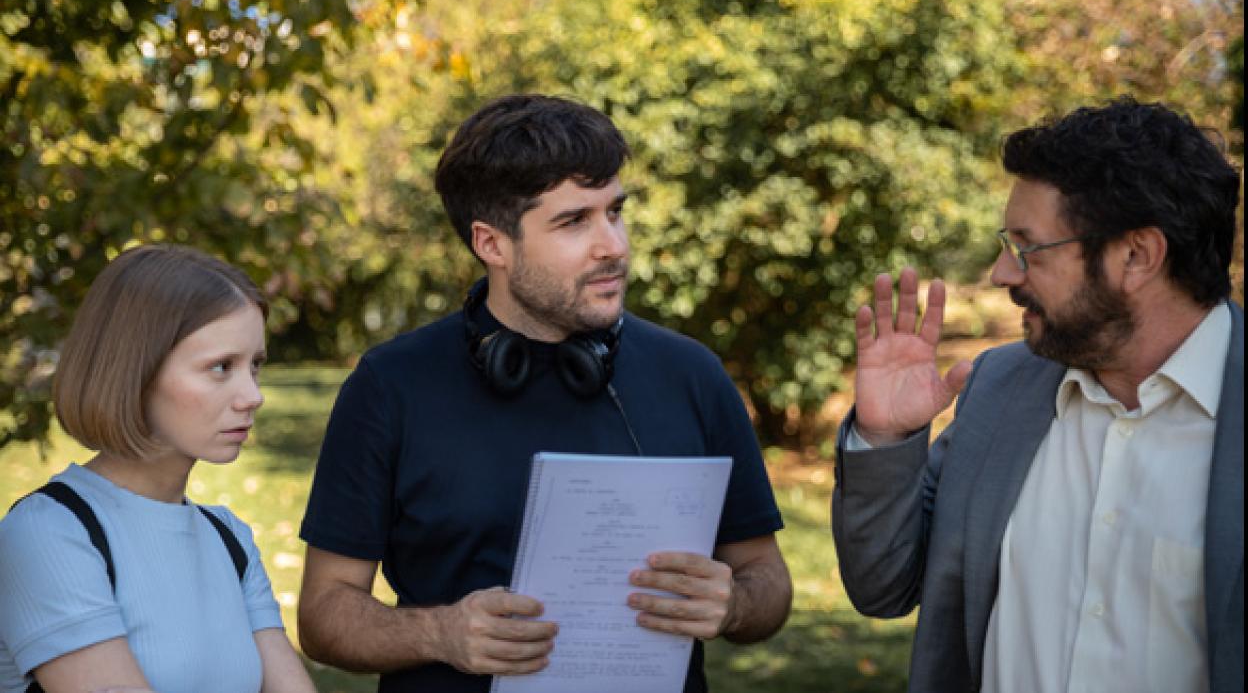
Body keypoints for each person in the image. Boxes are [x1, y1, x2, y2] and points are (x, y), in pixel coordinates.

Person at [296, 94, 793, 692]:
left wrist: (734, 605)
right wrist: (440, 634)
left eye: (614, 211)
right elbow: (324, 613)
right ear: (492, 244)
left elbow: (765, 575)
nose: (613, 244)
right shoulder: (389, 386)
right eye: (573, 221)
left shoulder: (692, 375)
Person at [832, 96, 1243, 693]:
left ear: (1137, 255)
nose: (1002, 273)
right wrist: (886, 437)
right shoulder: (998, 390)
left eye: (1026, 247)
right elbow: (883, 586)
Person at [0, 245, 316, 693]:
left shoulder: (228, 538)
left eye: (256, 366)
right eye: (221, 367)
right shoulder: (49, 534)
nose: (253, 395)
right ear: (137, 371)